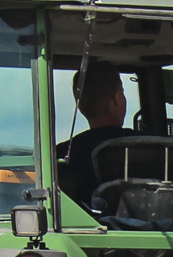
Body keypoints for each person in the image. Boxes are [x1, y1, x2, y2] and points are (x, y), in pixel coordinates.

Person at [57, 63, 135, 211]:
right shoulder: (156, 146)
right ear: (117, 98)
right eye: (122, 92)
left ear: (80, 106)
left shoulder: (63, 155)